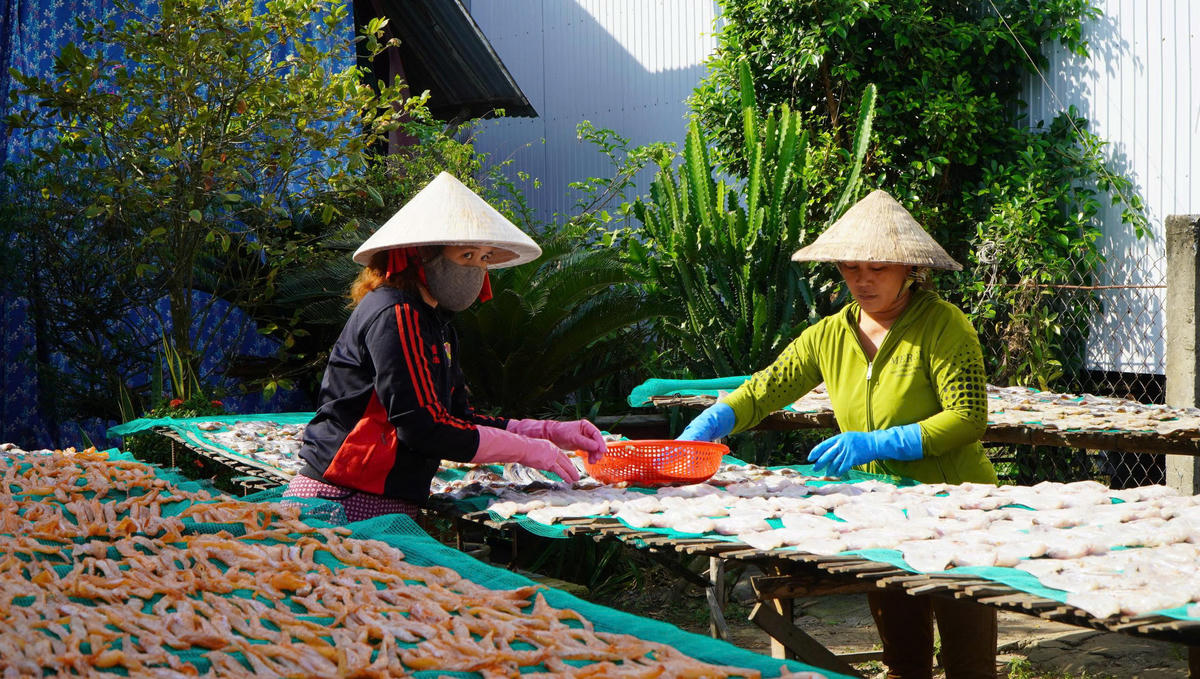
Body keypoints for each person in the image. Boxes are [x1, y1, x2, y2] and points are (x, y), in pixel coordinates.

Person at [678, 189, 998, 679]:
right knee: (903, 657)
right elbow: (766, 388)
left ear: (909, 269)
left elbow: (968, 416)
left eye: (877, 269)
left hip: (958, 508)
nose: (862, 280)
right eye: (851, 268)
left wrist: (879, 442)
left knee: (968, 660)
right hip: (883, 511)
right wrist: (713, 421)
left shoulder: (943, 325)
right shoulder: (830, 334)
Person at [285, 172, 607, 521]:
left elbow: (455, 420)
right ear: (422, 256)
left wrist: (551, 433)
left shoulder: (435, 323)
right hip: (345, 499)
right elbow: (424, 428)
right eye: (466, 255)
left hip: (384, 500)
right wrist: (527, 450)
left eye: (484, 258)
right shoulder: (397, 313)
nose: (477, 269)